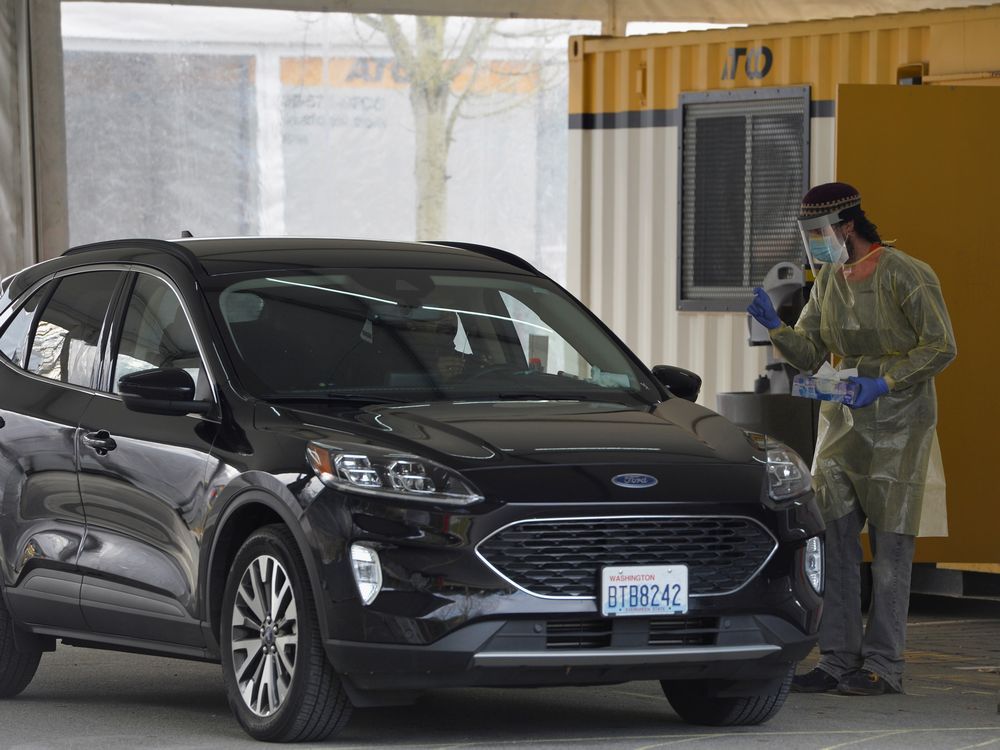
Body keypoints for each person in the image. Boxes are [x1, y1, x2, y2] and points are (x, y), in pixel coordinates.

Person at [747, 182, 956, 696]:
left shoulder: (906, 274)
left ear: (847, 227)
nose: (815, 245)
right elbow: (812, 351)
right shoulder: (829, 282)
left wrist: (885, 382)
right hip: (842, 425)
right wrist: (777, 326)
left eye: (820, 234)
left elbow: (941, 346)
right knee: (835, 541)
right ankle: (837, 659)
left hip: (900, 426)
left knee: (890, 553)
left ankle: (884, 665)